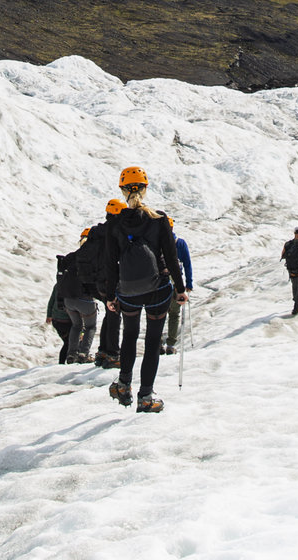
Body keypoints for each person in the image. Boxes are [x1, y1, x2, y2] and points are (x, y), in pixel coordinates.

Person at [98, 167, 187, 412]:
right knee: (152, 343)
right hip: (157, 289)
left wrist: (110, 296)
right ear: (145, 189)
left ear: (123, 191)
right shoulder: (159, 219)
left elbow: (110, 263)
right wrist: (180, 289)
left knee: (129, 335)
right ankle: (146, 397)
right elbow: (170, 257)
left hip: (128, 291)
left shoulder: (115, 224)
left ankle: (124, 382)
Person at [49, 228, 98, 364]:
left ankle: (71, 354)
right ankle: (83, 353)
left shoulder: (70, 257)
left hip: (68, 301)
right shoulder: (92, 258)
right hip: (85, 300)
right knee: (90, 327)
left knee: (76, 326)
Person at [89, 198, 124, 368]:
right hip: (112, 279)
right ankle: (113, 354)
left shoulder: (98, 232)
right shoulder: (116, 232)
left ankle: (103, 351)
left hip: (98, 281)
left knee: (109, 314)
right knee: (115, 315)